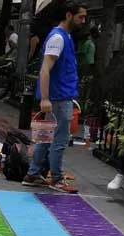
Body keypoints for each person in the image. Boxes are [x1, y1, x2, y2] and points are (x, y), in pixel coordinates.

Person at [21, 0, 86, 194]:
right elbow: (45, 69)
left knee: (47, 138)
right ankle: (56, 179)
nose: (83, 21)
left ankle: (32, 174)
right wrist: (45, 98)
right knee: (59, 140)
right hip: (58, 97)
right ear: (68, 15)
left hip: (59, 96)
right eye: (80, 16)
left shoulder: (64, 36)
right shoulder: (58, 38)